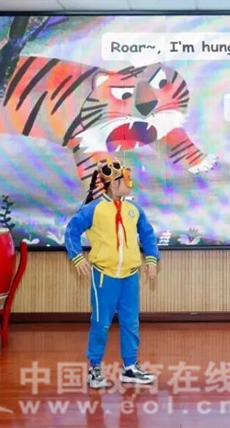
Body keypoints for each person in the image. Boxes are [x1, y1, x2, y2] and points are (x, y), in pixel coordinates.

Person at [65, 157, 160, 389]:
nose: (130, 182)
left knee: (130, 322)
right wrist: (77, 257)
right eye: (126, 178)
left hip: (130, 276)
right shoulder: (94, 209)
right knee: (101, 323)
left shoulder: (133, 209)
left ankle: (130, 368)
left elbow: (147, 234)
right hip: (104, 277)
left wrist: (151, 258)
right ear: (114, 183)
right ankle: (95, 369)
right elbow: (71, 231)